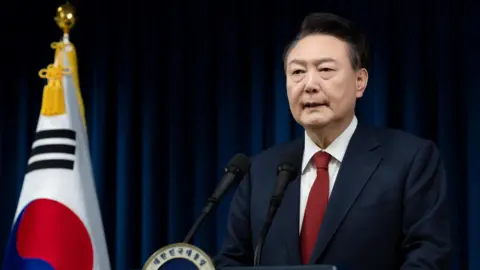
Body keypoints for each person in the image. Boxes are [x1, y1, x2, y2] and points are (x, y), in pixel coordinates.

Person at [213, 12, 451, 270]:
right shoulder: (259, 172)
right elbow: (231, 262)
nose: (309, 84)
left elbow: (428, 258)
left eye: (325, 70)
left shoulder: (410, 160)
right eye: (297, 72)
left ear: (360, 82)